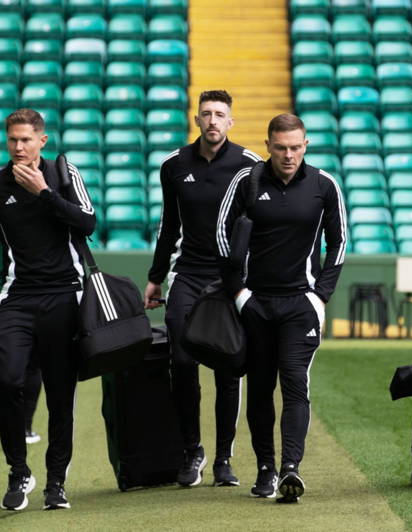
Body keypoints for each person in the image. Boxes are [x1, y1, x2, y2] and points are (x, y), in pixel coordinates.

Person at [0, 109, 96, 511]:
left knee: (59, 394)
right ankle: (19, 472)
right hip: (17, 297)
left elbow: (88, 223)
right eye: (12, 140)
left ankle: (56, 482)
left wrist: (45, 194)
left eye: (26, 140)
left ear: (42, 141)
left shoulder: (65, 175)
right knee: (8, 378)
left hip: (66, 294)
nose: (19, 147)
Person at [216, 114, 347, 502]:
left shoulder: (324, 185)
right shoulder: (247, 180)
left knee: (294, 382)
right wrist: (240, 294)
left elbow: (338, 242)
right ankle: (265, 468)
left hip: (300, 306)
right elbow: (222, 237)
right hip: (255, 304)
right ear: (269, 145)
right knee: (258, 389)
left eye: (295, 147)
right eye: (281, 147)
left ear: (306, 145)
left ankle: (291, 468)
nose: (288, 155)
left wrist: (320, 294)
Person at [144, 90, 260, 488]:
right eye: (206, 114)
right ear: (196, 120)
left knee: (229, 367)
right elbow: (168, 225)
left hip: (231, 280)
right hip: (188, 276)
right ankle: (193, 451)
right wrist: (157, 276)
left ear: (231, 122)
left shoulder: (250, 165)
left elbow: (261, 227)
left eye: (220, 115)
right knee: (183, 361)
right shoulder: (174, 165)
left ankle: (224, 459)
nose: (213, 120)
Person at [0, 228, 42, 445]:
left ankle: (15, 431)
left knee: (8, 369)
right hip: (42, 294)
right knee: (34, 366)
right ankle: (25, 428)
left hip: (3, 295)